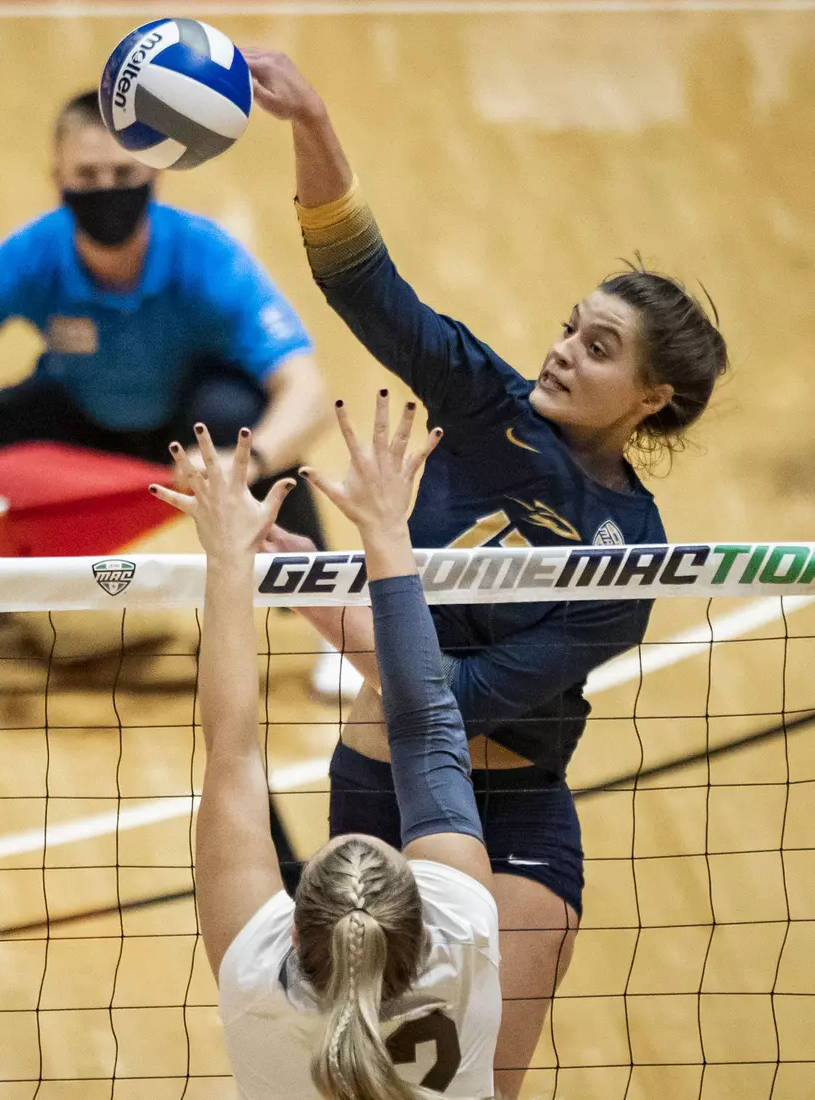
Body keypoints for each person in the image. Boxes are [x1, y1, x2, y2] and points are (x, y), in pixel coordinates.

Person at [244, 49, 729, 1094]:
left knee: (477, 1088)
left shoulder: (623, 560)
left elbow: (452, 704)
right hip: (371, 790)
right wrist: (313, 122)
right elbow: (358, 281)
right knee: (359, 1076)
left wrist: (319, 594)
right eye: (568, 327)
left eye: (597, 348)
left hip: (513, 814)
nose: (561, 352)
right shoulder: (483, 404)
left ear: (648, 399)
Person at [0, 90, 352, 688]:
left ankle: (335, 620)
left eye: (123, 173)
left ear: (154, 174)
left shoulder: (204, 258)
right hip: (80, 416)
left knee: (241, 416)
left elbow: (307, 387)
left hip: (189, 434)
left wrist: (244, 462)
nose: (106, 189)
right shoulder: (31, 257)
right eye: (87, 175)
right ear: (59, 178)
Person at [151, 399, 500, 1099]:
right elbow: (427, 716)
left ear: (294, 937)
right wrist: (384, 533)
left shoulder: (263, 976)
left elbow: (232, 750)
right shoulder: (460, 933)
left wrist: (230, 559)